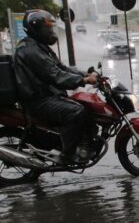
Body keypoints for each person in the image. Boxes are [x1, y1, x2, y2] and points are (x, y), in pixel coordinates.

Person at [13, 10, 97, 162]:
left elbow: (62, 68)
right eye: (47, 28)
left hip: (47, 96)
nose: (51, 31)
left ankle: (84, 145)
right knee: (76, 111)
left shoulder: (39, 47)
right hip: (38, 101)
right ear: (36, 28)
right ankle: (68, 154)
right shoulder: (31, 50)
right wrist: (83, 81)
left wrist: (86, 74)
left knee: (86, 105)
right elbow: (55, 75)